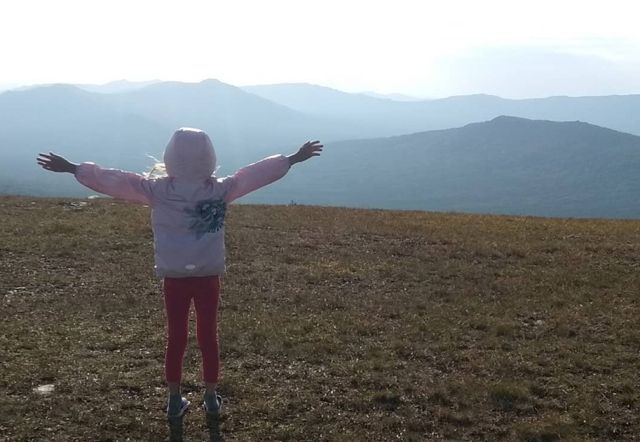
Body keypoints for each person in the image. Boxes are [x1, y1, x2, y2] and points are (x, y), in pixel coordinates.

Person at [36, 128, 322, 418]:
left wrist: (73, 168)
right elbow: (255, 174)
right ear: (209, 158)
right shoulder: (220, 190)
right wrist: (293, 158)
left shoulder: (156, 190)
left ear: (170, 157)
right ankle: (211, 399)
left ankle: (174, 401)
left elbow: (114, 180)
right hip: (208, 276)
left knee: (176, 337)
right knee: (208, 336)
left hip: (174, 277)